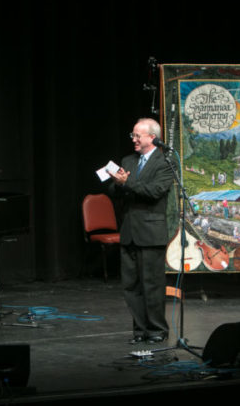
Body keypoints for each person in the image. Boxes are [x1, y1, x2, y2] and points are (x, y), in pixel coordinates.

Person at [107, 118, 173, 344]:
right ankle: (140, 329)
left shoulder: (165, 163)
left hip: (151, 232)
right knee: (131, 286)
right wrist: (118, 184)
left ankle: (157, 330)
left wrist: (127, 184)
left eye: (138, 136)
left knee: (152, 285)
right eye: (133, 135)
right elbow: (115, 191)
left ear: (151, 137)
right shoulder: (128, 160)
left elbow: (154, 191)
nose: (134, 140)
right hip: (130, 231)